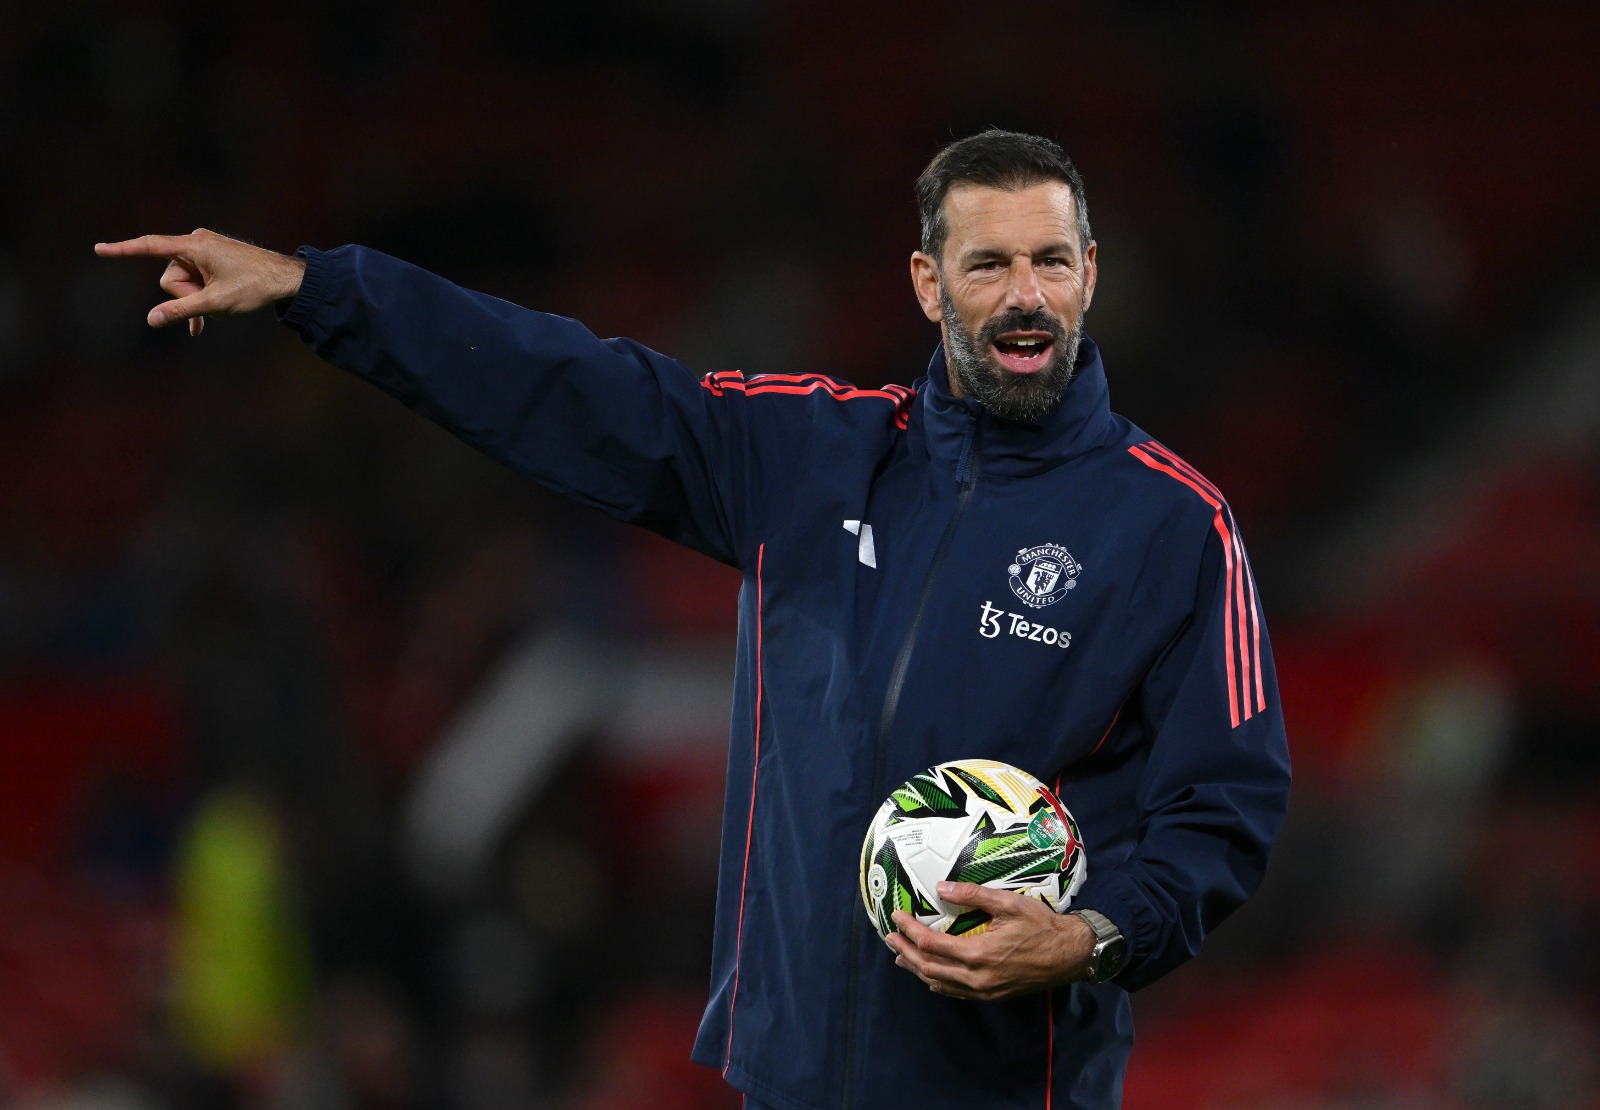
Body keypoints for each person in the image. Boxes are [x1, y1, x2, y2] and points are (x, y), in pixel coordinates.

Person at [98, 129, 1291, 1110]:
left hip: (1008, 1085)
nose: (1024, 297)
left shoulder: (1174, 525)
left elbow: (1223, 810)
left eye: (1050, 261)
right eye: (987, 266)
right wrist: (324, 291)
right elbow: (567, 386)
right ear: (928, 283)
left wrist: (1085, 937)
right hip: (785, 1075)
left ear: (1091, 269)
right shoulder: (811, 456)